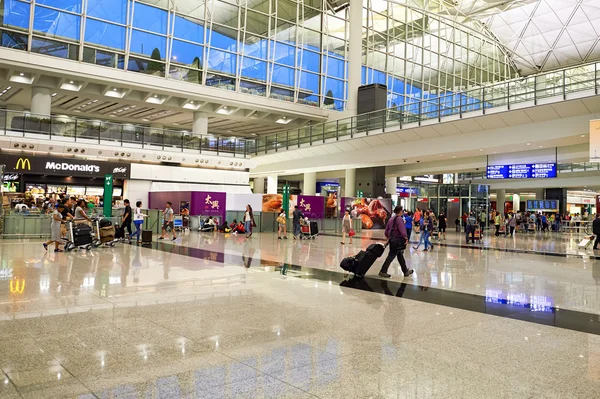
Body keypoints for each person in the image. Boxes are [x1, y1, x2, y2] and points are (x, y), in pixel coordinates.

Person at [378, 206, 414, 279]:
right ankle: (383, 271)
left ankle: (405, 271)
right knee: (391, 256)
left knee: (400, 256)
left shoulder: (391, 219)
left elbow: (386, 231)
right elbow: (402, 229)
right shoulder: (399, 219)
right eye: (402, 211)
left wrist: (389, 237)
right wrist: (406, 238)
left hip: (392, 240)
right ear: (400, 211)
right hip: (398, 241)